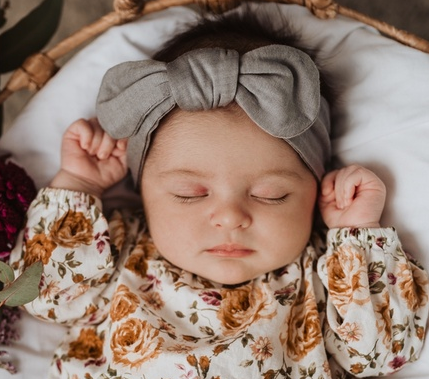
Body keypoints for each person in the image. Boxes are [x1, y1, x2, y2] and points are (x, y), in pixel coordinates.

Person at [10, 8, 429, 379]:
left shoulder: (321, 274)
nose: (230, 216)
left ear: (315, 191)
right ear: (143, 193)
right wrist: (79, 186)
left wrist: (357, 234)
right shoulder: (117, 248)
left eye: (271, 195)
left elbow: (383, 352)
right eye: (189, 193)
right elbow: (46, 296)